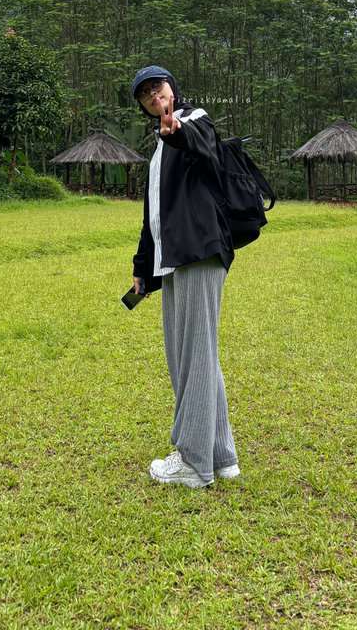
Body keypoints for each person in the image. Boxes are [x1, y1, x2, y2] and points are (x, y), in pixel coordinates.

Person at [130, 65, 240, 489]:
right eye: (145, 97)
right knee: (193, 354)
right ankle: (221, 454)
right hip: (175, 260)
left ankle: (194, 462)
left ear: (172, 89)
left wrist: (176, 131)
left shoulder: (194, 122)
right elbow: (152, 217)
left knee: (192, 355)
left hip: (199, 253)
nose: (154, 99)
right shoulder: (158, 149)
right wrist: (143, 268)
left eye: (158, 89)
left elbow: (205, 149)